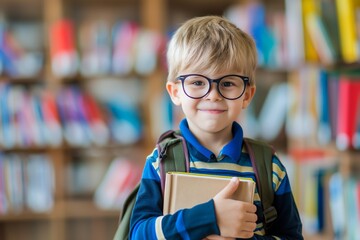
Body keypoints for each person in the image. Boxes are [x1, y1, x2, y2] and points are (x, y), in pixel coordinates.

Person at [130, 15, 303, 239]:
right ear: (175, 92)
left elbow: (292, 236)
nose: (213, 95)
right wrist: (209, 217)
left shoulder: (269, 167)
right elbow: (138, 234)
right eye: (197, 82)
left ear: (247, 95)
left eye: (228, 83)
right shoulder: (160, 162)